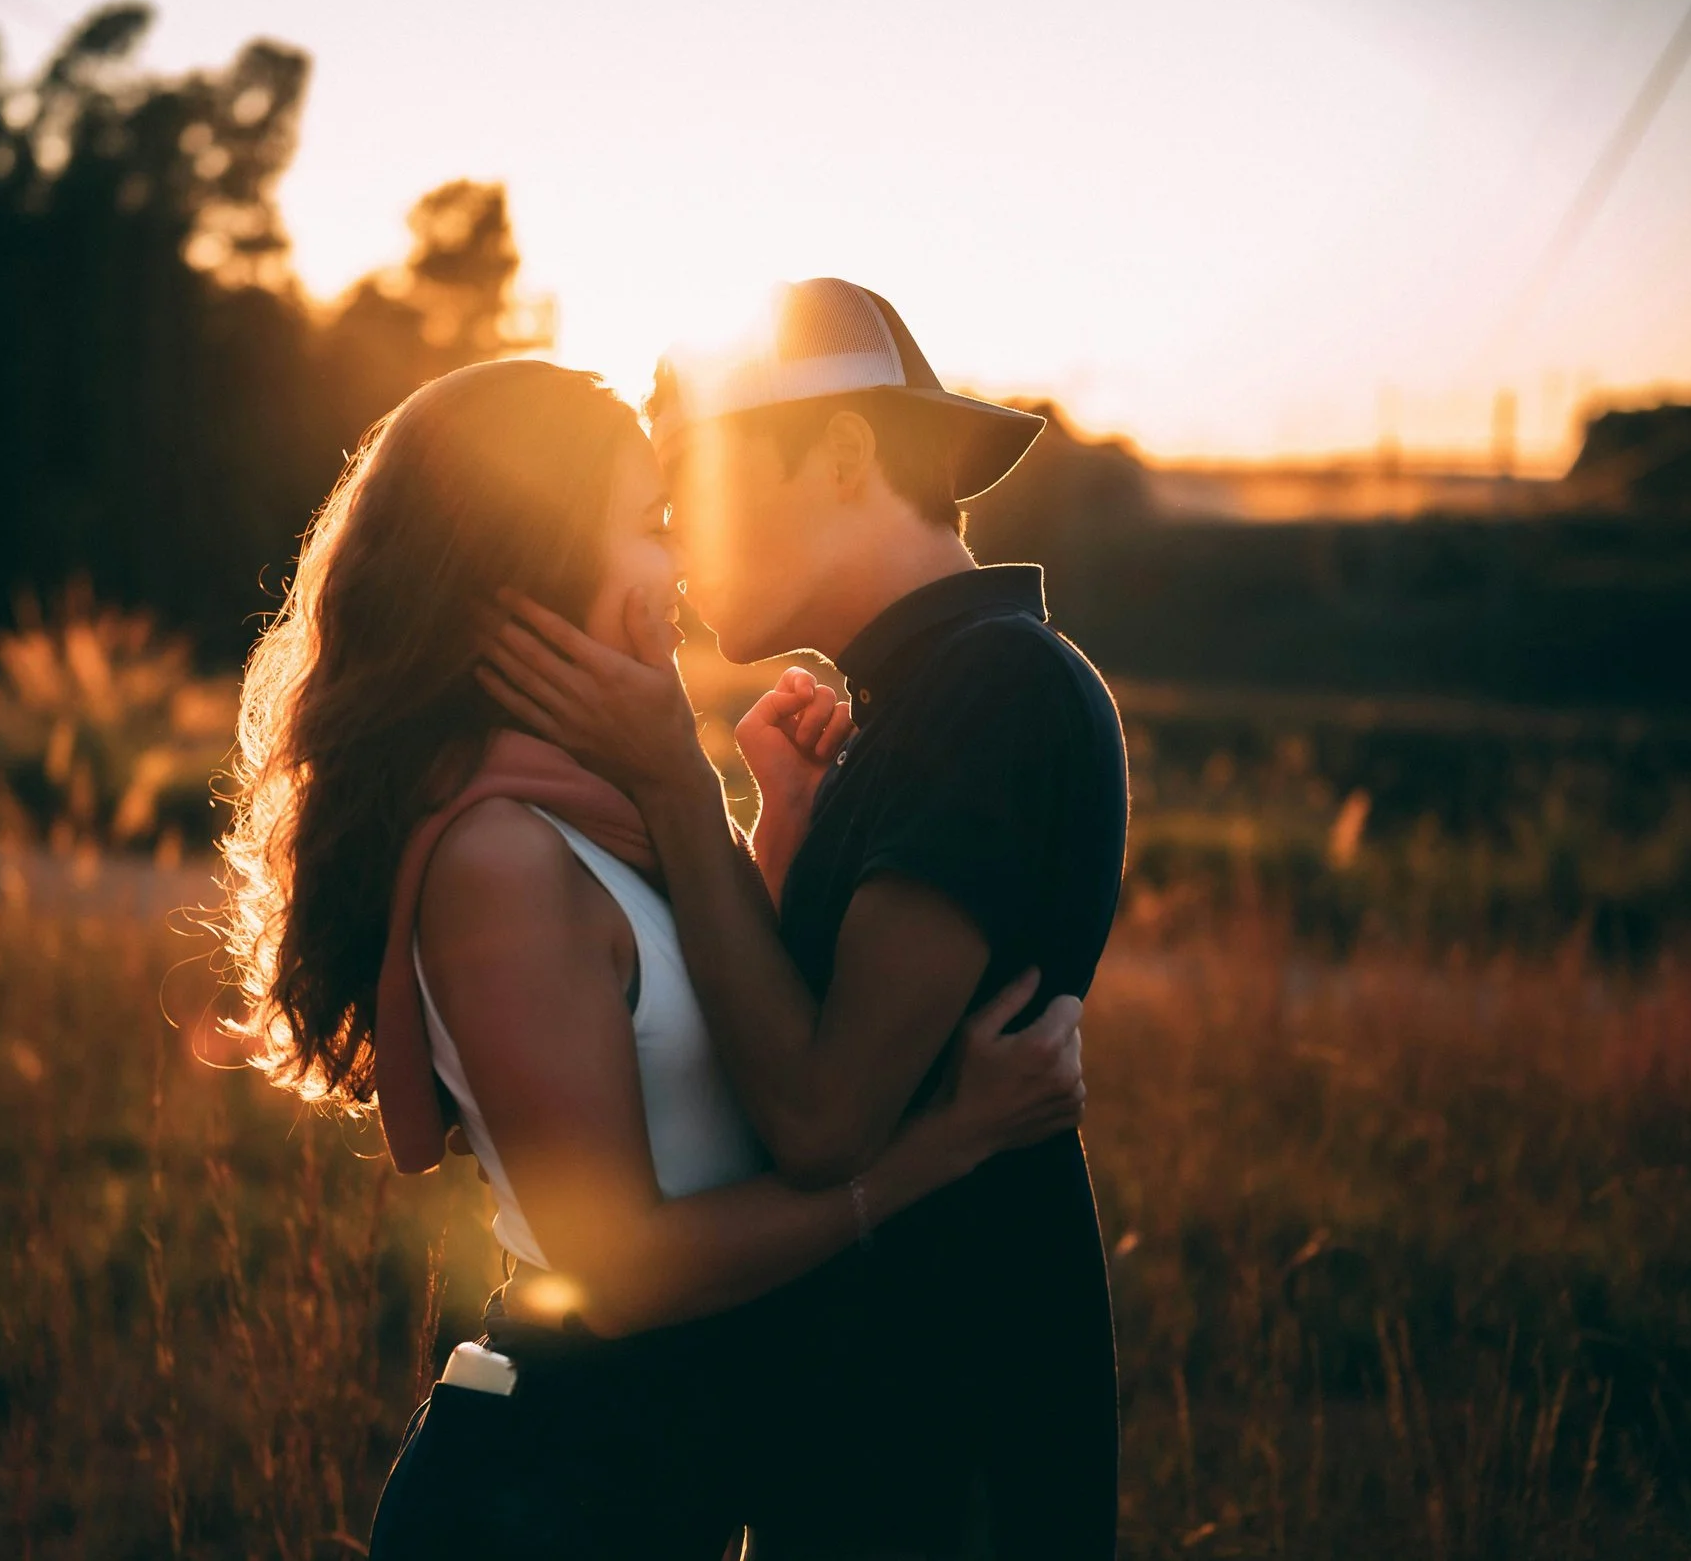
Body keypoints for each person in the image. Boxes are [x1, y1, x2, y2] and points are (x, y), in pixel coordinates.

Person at [214, 357, 1089, 1559]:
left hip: (649, 1481)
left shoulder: (613, 815)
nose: (678, 563)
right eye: (647, 525)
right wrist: (943, 1142)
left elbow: (718, 1049)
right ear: (534, 556)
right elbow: (621, 1272)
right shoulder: (496, 856)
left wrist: (775, 834)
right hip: (545, 1491)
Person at [478, 278, 1132, 1557]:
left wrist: (673, 778)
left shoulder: (990, 691)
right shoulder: (916, 705)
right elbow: (805, 1049)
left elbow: (822, 1119)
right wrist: (775, 834)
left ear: (839, 455)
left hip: (949, 1456)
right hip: (884, 1430)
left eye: (694, 491)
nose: (675, 549)